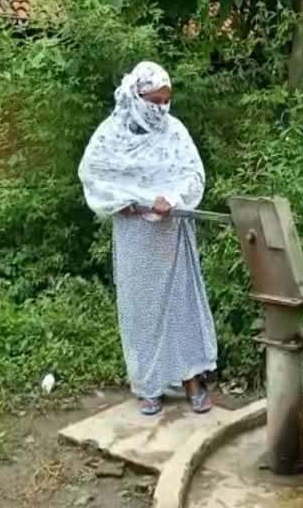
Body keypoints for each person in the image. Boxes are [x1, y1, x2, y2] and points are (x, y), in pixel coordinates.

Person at [78, 61, 218, 416]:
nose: (161, 108)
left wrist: (171, 198)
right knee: (142, 310)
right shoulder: (111, 134)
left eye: (166, 100)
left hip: (171, 233)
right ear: (136, 96)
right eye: (154, 100)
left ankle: (190, 380)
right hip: (135, 235)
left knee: (179, 305)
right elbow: (92, 174)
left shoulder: (175, 132)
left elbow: (193, 175)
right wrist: (122, 201)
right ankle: (148, 386)